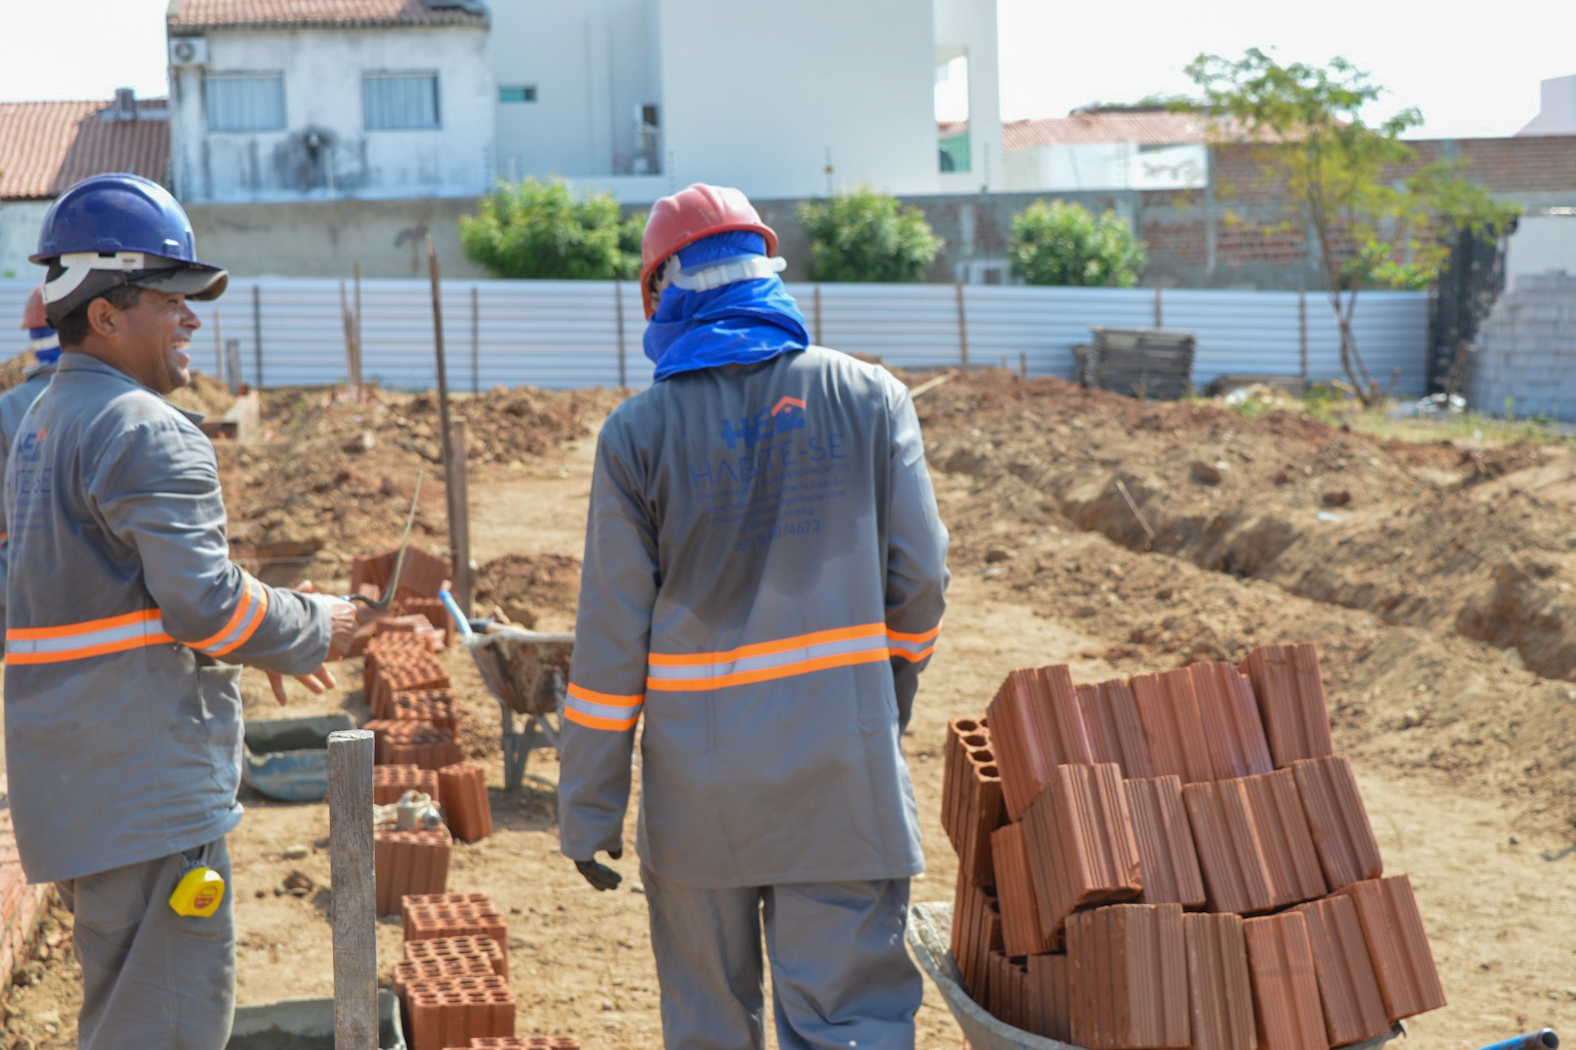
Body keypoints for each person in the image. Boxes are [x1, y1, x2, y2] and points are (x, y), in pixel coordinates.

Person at [558, 183, 950, 1050]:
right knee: (851, 1025)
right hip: (839, 780)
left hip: (701, 801)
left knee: (709, 1027)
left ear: (662, 293)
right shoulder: (871, 397)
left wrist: (589, 809)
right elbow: (919, 583)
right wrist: (886, 694)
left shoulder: (637, 436)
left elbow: (611, 642)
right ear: (766, 274)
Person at [3, 172, 357, 1050]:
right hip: (146, 786)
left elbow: (122, 603)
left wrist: (258, 644)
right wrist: (314, 624)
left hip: (79, 790)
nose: (193, 317)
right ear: (106, 314)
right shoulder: (146, 427)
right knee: (166, 1026)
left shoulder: (41, 424)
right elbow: (205, 608)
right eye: (173, 298)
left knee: (125, 1015)